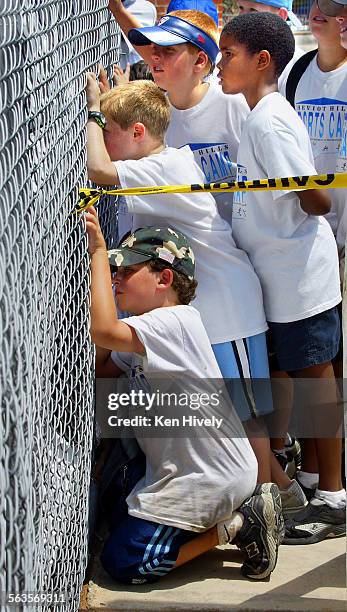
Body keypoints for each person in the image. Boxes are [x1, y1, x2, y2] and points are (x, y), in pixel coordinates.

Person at [85, 215, 283, 582]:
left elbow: (103, 330)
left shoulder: (174, 322)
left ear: (164, 279)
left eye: (126, 270)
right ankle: (216, 518)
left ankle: (239, 525)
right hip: (190, 470)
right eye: (113, 270)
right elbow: (103, 369)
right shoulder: (150, 328)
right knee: (117, 503)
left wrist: (97, 252)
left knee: (123, 562)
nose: (115, 279)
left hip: (210, 477)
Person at [217, 11, 345, 544]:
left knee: (317, 380)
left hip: (298, 277)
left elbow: (313, 198)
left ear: (262, 61)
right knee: (300, 374)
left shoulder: (269, 120)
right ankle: (315, 480)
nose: (222, 65)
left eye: (229, 55)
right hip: (280, 274)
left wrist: (302, 191)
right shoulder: (259, 115)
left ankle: (335, 498)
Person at [236, 0, 305, 89]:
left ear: (281, 15)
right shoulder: (230, 56)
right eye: (241, 8)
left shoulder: (299, 67)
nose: (241, 18)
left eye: (253, 10)